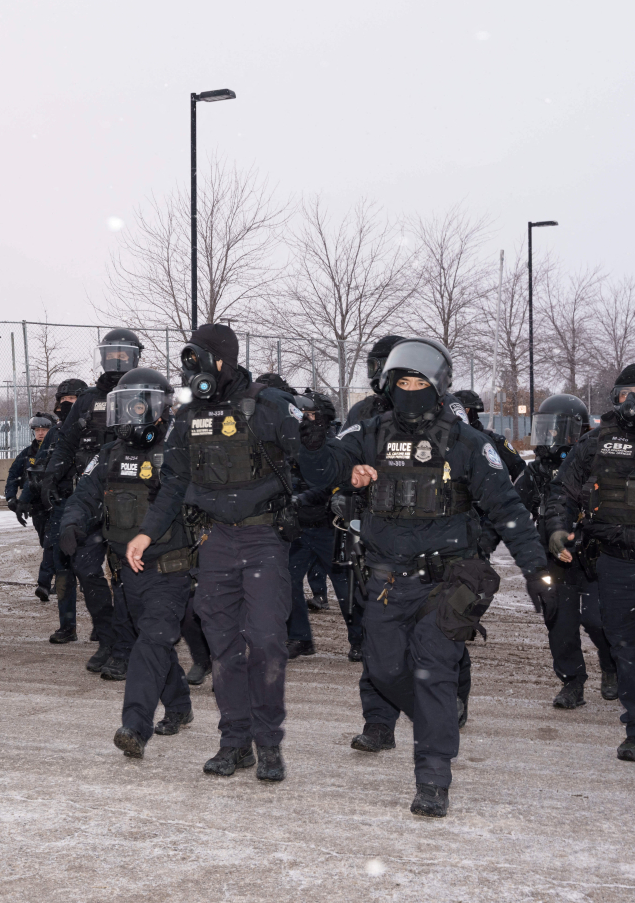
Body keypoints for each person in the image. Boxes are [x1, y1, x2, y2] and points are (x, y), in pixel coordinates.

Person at [298, 337, 549, 816]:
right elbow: (325, 468)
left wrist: (536, 570)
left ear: (437, 387)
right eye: (402, 382)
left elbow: (507, 508)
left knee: (434, 675)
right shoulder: (367, 434)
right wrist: (313, 445)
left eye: (419, 382)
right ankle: (438, 725)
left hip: (446, 582)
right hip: (387, 582)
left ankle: (433, 777)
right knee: (386, 670)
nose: (410, 390)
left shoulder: (467, 442)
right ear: (389, 385)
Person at [127, 324, 301, 783]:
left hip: (263, 538)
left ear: (224, 359)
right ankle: (234, 742)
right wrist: (145, 533)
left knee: (265, 642)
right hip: (216, 541)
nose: (195, 370)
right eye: (189, 361)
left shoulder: (267, 406)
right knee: (223, 648)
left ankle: (268, 745)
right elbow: (174, 485)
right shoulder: (188, 418)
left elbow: (312, 462)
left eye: (202, 358)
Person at [60, 368, 195, 757]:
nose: (132, 415)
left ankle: (135, 726)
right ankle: (180, 705)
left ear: (160, 409)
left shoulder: (177, 453)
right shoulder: (109, 454)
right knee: (156, 646)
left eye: (141, 405)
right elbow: (84, 494)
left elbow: (190, 501)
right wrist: (71, 523)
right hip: (124, 574)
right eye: (126, 407)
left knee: (149, 644)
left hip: (169, 570)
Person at [544, 365, 635, 762]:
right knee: (624, 644)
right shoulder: (597, 442)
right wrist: (557, 529)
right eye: (626, 394)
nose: (632, 402)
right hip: (614, 561)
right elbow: (562, 490)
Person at [42, 330, 144, 673]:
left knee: (126, 575)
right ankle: (107, 636)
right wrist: (50, 477)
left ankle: (127, 643)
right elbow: (67, 443)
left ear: (135, 357)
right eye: (111, 353)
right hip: (89, 495)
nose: (116, 359)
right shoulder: (86, 400)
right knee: (86, 568)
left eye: (123, 354)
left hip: (129, 500)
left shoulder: (143, 392)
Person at [514, 393, 616, 708]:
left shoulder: (598, 464)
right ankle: (572, 682)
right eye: (546, 430)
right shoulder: (534, 472)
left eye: (558, 431)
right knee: (560, 624)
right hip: (554, 560)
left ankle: (611, 666)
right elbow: (509, 511)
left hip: (596, 556)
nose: (551, 440)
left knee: (601, 620)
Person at [285, 390, 364, 660]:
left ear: (323, 417)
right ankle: (299, 638)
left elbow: (332, 483)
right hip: (300, 528)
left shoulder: (335, 445)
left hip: (330, 529)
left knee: (346, 586)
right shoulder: (296, 443)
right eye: (301, 414)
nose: (304, 419)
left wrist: (305, 497)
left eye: (309, 414)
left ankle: (360, 641)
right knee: (288, 580)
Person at [20, 380, 87, 613]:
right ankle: (67, 625)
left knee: (90, 564)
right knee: (60, 558)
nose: (67, 405)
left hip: (91, 503)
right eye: (63, 400)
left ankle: (102, 623)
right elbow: (39, 468)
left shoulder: (96, 428)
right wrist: (24, 499)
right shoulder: (56, 432)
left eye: (72, 400)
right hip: (63, 502)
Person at [453, 390, 526, 481]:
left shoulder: (495, 442)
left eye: (464, 410)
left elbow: (521, 475)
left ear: (471, 412)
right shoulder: (446, 444)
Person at [341, 335, 404, 430]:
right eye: (374, 366)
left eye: (385, 364)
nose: (379, 373)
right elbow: (344, 443)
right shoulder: (362, 410)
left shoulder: (423, 409)